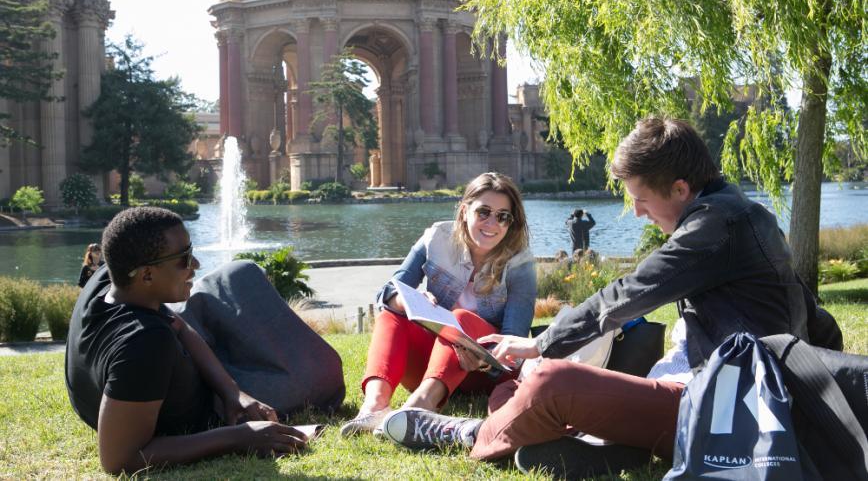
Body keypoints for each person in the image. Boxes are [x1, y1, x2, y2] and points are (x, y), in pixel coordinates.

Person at [380, 117, 840, 477]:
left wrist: (541, 342)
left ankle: (469, 432)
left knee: (549, 383)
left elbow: (628, 292)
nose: (636, 211)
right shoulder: (747, 214)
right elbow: (816, 319)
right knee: (521, 384)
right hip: (721, 390)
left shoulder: (713, 227)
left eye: (640, 199)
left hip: (722, 403)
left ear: (680, 189)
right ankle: (611, 452)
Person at [65, 207, 345, 474]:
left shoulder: (112, 280)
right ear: (147, 274)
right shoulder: (143, 343)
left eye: (191, 252)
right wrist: (240, 436)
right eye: (184, 259)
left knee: (241, 271)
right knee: (322, 373)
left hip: (185, 377)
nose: (195, 265)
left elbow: (179, 326)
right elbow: (119, 459)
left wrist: (233, 391)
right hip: (207, 407)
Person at [340, 172, 537, 436]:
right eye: (484, 212)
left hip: (485, 373)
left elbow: (513, 347)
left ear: (510, 223)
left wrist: (484, 362)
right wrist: (406, 300)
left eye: (503, 216)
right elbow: (387, 292)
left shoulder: (520, 264)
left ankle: (419, 409)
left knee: (462, 318)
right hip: (435, 367)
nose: (492, 223)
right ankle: (374, 408)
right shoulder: (436, 239)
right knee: (391, 313)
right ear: (465, 210)